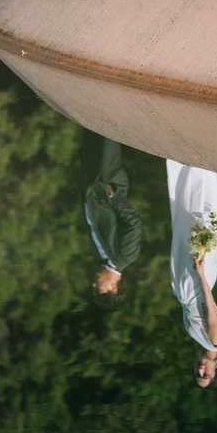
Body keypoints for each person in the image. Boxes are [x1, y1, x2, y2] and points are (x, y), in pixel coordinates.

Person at [167, 159, 217, 390]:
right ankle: (203, 173)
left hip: (184, 285)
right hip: (199, 282)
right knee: (197, 226)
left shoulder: (199, 341)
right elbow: (210, 306)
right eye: (206, 374)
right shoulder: (215, 340)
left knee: (181, 228)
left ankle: (190, 171)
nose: (200, 369)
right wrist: (200, 274)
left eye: (197, 373)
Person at [81, 130, 142, 310]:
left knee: (90, 129)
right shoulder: (126, 257)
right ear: (113, 288)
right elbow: (134, 223)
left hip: (92, 183)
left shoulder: (99, 257)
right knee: (109, 130)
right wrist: (114, 196)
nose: (94, 285)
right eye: (99, 290)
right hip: (108, 182)